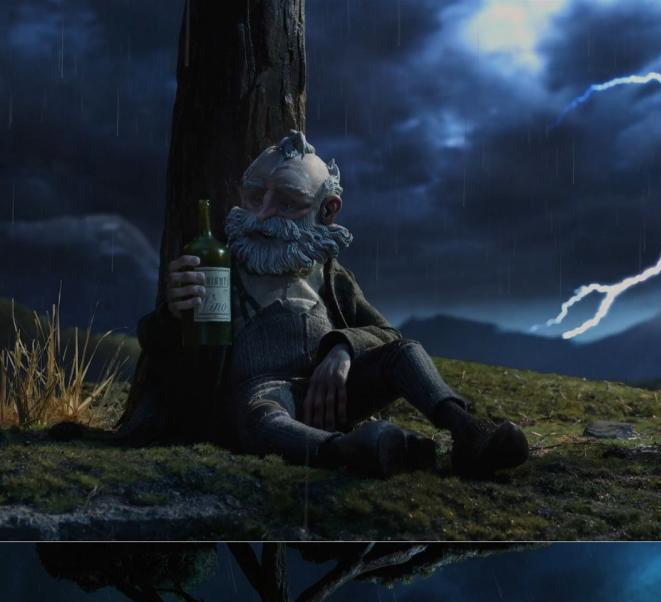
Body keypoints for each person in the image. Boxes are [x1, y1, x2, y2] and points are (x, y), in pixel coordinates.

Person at [127, 130, 529, 479]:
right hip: (261, 399)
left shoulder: (330, 276)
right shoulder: (219, 269)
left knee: (405, 353)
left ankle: (468, 432)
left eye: (287, 202)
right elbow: (161, 346)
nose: (263, 215)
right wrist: (173, 312)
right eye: (254, 197)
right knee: (260, 417)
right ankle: (348, 451)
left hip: (334, 397)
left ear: (327, 210)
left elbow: (388, 334)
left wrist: (341, 348)